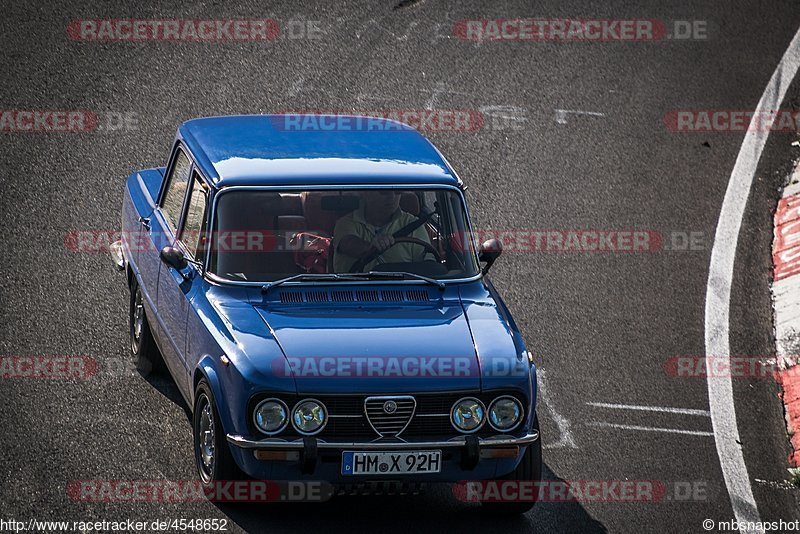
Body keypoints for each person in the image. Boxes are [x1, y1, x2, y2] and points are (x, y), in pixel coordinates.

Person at [332, 190, 433, 273]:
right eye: (384, 191)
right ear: (366, 193)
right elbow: (348, 243)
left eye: (397, 192)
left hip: (403, 291)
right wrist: (370, 247)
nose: (392, 197)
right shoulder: (346, 222)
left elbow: (428, 267)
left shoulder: (413, 225)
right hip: (355, 291)